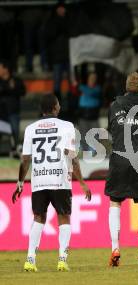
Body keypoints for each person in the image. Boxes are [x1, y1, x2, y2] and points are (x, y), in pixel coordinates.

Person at [11, 94, 91, 272]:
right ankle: (62, 259)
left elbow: (25, 159)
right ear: (55, 107)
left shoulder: (31, 128)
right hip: (59, 180)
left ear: (42, 110)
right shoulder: (67, 126)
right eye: (59, 104)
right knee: (64, 217)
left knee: (38, 218)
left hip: (39, 179)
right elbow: (71, 156)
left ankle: (30, 260)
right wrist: (82, 182)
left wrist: (20, 182)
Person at [105, 72, 138, 268]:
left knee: (115, 203)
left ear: (126, 88)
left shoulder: (114, 106)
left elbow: (112, 128)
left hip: (119, 157)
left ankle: (115, 248)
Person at [0, 60, 26, 157]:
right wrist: (9, 88)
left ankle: (15, 152)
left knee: (15, 133)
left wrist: (13, 88)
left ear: (6, 69)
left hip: (13, 113)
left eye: (0, 68)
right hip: (1, 115)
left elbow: (23, 92)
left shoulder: (16, 80)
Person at [78, 72, 102, 152]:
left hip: (94, 117)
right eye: (91, 78)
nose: (92, 80)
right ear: (88, 79)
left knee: (95, 137)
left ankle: (94, 153)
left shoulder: (98, 89)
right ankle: (85, 151)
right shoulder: (82, 87)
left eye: (94, 78)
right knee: (83, 136)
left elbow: (91, 92)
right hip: (83, 116)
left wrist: (81, 88)